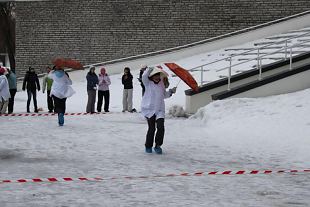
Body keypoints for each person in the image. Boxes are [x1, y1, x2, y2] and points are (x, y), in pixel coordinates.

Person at [141, 66, 176, 154]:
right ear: (152, 77)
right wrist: (149, 69)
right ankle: (148, 146)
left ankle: (158, 145)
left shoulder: (161, 84)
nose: (157, 78)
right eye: (155, 76)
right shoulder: (148, 83)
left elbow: (164, 95)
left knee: (161, 127)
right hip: (150, 110)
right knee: (152, 129)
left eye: (158, 76)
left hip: (160, 109)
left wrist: (171, 92)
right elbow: (144, 77)